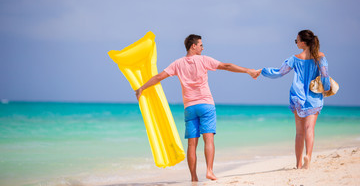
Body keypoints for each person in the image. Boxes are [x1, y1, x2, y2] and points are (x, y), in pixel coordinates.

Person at [135, 34, 260, 181]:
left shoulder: (177, 63)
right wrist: (248, 71)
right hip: (206, 105)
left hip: (190, 108)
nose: (202, 47)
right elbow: (226, 66)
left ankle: (194, 177)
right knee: (209, 140)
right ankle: (209, 171)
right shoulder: (203, 60)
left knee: (192, 144)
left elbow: (158, 77)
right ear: (193, 46)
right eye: (200, 45)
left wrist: (141, 88)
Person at [260, 29, 331, 169]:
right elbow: (325, 75)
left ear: (303, 42)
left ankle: (298, 164)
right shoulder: (320, 57)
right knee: (310, 129)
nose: (295, 43)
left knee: (299, 132)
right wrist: (327, 87)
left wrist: (262, 71)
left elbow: (279, 72)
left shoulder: (294, 58)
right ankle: (308, 157)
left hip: (298, 97)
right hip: (314, 97)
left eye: (296, 40)